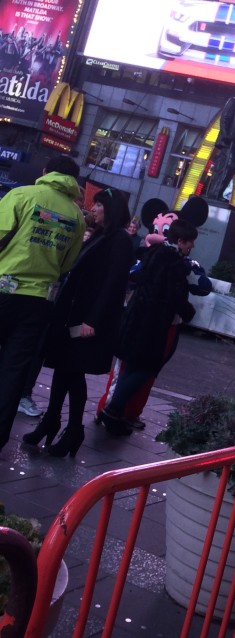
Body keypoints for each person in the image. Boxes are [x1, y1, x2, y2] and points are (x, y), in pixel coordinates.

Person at [23, 189, 133, 457]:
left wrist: (92, 320)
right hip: (72, 315)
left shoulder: (120, 240)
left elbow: (114, 285)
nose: (93, 209)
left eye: (98, 205)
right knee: (64, 367)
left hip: (86, 319)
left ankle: (73, 429)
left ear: (111, 209)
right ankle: (52, 420)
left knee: (73, 371)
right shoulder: (101, 236)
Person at [0, 154, 85, 453]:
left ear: (46, 172)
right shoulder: (76, 217)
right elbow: (67, 264)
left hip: (3, 290)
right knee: (13, 372)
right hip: (38, 303)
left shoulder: (21, 195)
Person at [98, 218, 198, 436]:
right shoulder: (174, 262)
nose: (192, 246)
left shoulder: (155, 252)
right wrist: (189, 312)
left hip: (137, 317)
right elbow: (175, 295)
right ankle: (113, 410)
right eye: (190, 242)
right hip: (153, 324)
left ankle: (113, 411)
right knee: (145, 369)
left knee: (132, 366)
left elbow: (139, 277)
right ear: (181, 241)